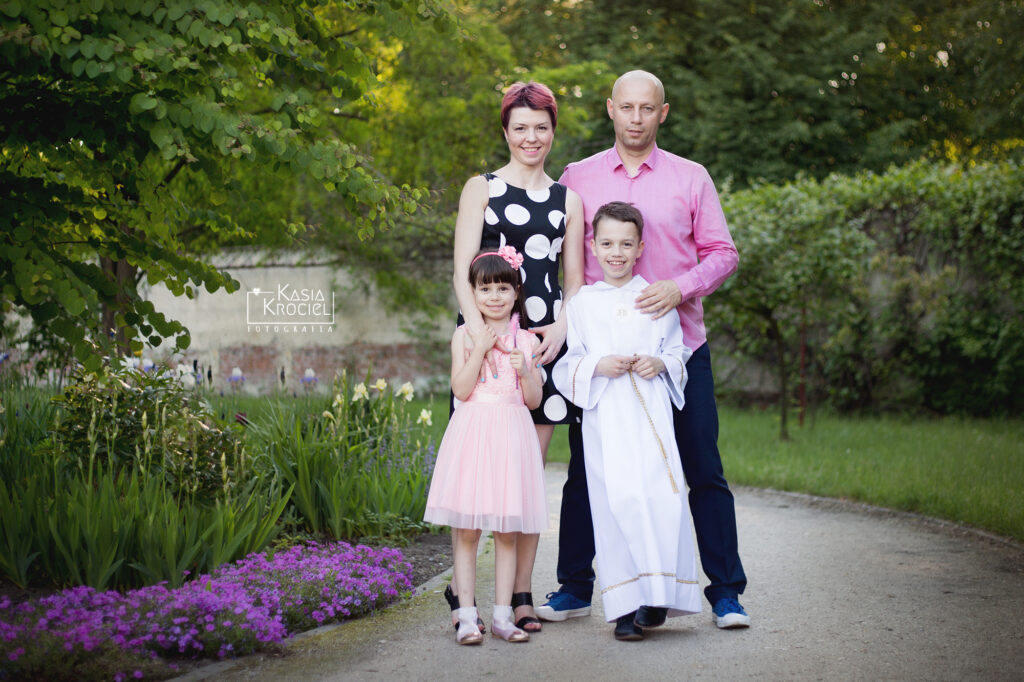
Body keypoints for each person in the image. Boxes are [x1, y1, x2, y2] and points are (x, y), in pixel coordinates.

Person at [537, 70, 751, 630]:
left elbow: (723, 253)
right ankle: (575, 587)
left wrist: (680, 287)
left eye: (647, 108)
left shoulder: (691, 177)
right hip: (604, 358)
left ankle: (725, 593)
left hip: (678, 348)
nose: (636, 118)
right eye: (627, 107)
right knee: (588, 471)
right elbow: (561, 258)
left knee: (702, 468)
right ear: (611, 109)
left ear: (663, 112)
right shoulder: (577, 177)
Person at [446, 81, 585, 632]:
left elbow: (574, 282)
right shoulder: (481, 188)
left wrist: (562, 328)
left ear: (553, 131)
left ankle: (520, 595)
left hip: (540, 348)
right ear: (506, 131)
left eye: (541, 128)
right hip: (484, 346)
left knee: (526, 477)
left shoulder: (567, 199)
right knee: (475, 473)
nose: (532, 137)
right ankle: (463, 596)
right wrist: (481, 337)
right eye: (521, 127)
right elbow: (462, 272)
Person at [552, 202, 701, 641]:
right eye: (607, 243)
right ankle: (625, 606)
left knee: (659, 499)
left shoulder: (654, 298)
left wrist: (660, 363)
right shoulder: (582, 304)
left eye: (625, 244)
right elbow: (568, 364)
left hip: (650, 418)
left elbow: (678, 352)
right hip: (607, 419)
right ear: (593, 246)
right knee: (617, 503)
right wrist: (598, 366)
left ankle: (658, 597)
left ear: (640, 248)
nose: (615, 252)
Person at [424, 247, 548, 644]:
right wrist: (479, 349)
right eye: (485, 289)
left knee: (507, 531)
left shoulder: (526, 341)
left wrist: (525, 371)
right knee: (467, 530)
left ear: (516, 292)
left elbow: (534, 401)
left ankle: (502, 616)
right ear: (473, 294)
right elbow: (461, 390)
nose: (495, 296)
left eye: (503, 288)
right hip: (474, 433)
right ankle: (465, 616)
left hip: (512, 435)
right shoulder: (464, 336)